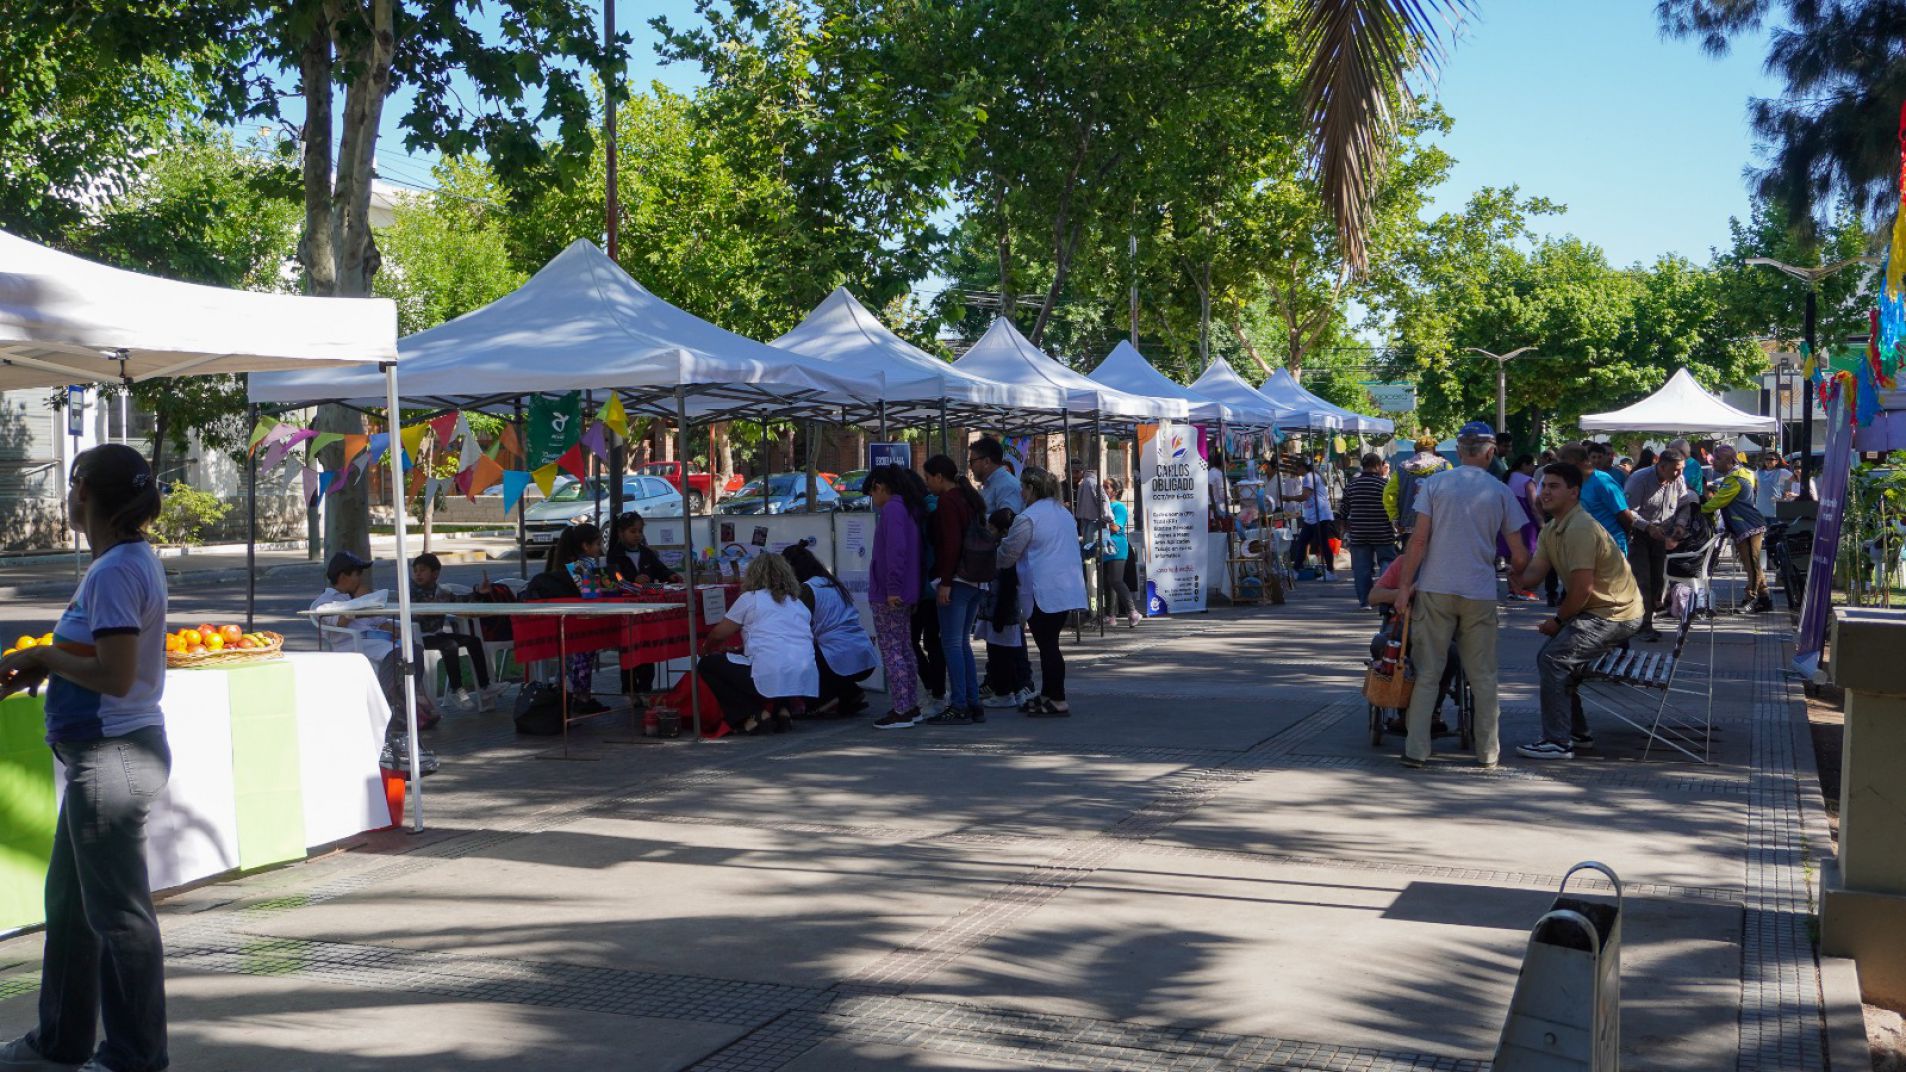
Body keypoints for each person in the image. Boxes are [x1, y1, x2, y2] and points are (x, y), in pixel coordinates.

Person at [0, 445, 171, 1072]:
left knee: (119, 917)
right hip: (102, 760)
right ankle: (59, 1043)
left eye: (73, 485)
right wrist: (39, 665)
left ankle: (134, 1058)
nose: (67, 496)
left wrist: (45, 658)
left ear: (86, 494)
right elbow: (97, 660)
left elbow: (118, 675)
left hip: (113, 759)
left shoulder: (116, 570)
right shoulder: (121, 562)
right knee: (71, 911)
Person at [1392, 422, 1530, 769]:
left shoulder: (1436, 484)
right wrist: (1517, 578)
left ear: (1459, 450)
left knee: (1428, 674)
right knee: (1482, 675)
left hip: (1435, 588)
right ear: (1490, 451)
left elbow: (1418, 541)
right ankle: (1487, 752)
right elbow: (1520, 552)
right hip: (1478, 591)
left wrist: (1405, 587)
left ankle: (1416, 749)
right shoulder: (1499, 491)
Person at [1513, 462, 1646, 760]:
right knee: (1558, 658)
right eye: (1544, 485)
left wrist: (1557, 621)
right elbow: (1532, 575)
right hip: (1599, 611)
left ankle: (1558, 741)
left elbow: (1582, 590)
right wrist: (1514, 568)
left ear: (1573, 492)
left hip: (1615, 614)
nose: (1545, 492)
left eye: (1554, 486)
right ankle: (1576, 732)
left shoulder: (1581, 528)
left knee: (1553, 659)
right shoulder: (1552, 529)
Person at [312, 550, 441, 731]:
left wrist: (395, 629)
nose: (360, 580)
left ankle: (408, 700)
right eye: (357, 574)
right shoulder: (325, 601)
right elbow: (338, 622)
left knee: (414, 649)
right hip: (354, 644)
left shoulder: (357, 597)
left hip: (379, 640)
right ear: (343, 576)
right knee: (395, 654)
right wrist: (357, 602)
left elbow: (379, 622)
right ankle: (393, 705)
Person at [998, 467, 1088, 716]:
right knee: (1050, 643)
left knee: (1048, 646)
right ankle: (1049, 693)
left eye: (1023, 488)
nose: (1021, 492)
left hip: (1042, 590)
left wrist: (996, 554)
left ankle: (1058, 698)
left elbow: (1009, 553)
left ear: (1031, 489)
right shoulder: (1063, 513)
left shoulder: (1028, 517)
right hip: (1065, 587)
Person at [697, 553, 818, 734]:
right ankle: (782, 711)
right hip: (803, 672)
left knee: (707, 665)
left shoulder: (751, 598)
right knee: (777, 662)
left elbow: (718, 634)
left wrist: (706, 649)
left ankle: (753, 714)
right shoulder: (797, 602)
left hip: (769, 669)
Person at [922, 454, 988, 724]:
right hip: (975, 579)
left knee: (951, 643)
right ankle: (972, 702)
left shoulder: (948, 501)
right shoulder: (967, 497)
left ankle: (960, 703)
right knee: (962, 643)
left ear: (939, 477)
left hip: (956, 580)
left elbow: (950, 545)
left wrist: (945, 583)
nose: (927, 484)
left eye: (928, 478)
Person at [968, 438, 1034, 707]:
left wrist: (989, 532)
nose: (970, 466)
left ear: (986, 461)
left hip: (1003, 567)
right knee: (996, 627)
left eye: (973, 461)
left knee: (1004, 625)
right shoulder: (992, 485)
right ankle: (1000, 682)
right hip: (992, 565)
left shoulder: (1005, 485)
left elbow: (1009, 520)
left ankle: (1020, 684)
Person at [522, 523, 610, 716]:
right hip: (577, 624)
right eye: (597, 544)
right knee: (582, 656)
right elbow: (593, 594)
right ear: (586, 546)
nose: (599, 548)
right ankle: (581, 698)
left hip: (568, 623)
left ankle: (573, 694)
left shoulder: (570, 564)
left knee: (575, 657)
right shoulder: (583, 566)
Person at [782, 543, 878, 717]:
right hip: (862, 652)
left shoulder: (807, 590)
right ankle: (850, 692)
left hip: (837, 655)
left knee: (797, 650)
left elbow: (795, 627)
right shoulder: (831, 583)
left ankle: (823, 699)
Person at [867, 466, 928, 728]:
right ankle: (910, 705)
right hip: (904, 591)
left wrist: (892, 588)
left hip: (890, 594)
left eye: (872, 492)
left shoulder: (892, 509)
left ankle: (901, 708)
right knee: (903, 648)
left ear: (880, 487)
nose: (872, 499)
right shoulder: (907, 508)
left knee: (893, 650)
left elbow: (895, 552)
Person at [606, 511, 682, 698]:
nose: (637, 535)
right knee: (630, 650)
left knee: (648, 650)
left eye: (640, 531)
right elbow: (616, 579)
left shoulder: (647, 553)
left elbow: (660, 570)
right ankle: (630, 691)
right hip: (626, 606)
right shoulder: (615, 555)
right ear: (621, 533)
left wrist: (670, 575)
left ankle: (646, 691)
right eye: (633, 531)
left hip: (648, 606)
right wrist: (633, 580)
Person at [1623, 447, 1696, 640]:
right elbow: (1628, 511)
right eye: (1675, 469)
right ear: (1661, 466)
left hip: (1662, 535)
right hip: (1638, 535)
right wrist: (1647, 527)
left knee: (1657, 580)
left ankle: (1645, 619)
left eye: (1681, 469)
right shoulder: (1639, 479)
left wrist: (1680, 525)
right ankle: (1642, 625)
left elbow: (1683, 505)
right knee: (1642, 580)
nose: (1679, 473)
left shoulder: (1678, 479)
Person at [408, 552, 495, 711]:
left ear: (435, 574)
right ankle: (456, 689)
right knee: (450, 645)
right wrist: (430, 606)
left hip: (437, 634)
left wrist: (478, 592)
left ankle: (484, 686)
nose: (418, 574)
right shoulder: (410, 591)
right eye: (415, 571)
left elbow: (459, 602)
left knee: (473, 641)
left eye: (422, 570)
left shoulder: (440, 591)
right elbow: (414, 612)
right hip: (418, 637)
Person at [1703, 443, 1773, 614]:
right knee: (1752, 565)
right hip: (1746, 526)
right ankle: (1764, 599)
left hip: (1748, 526)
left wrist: (1698, 508)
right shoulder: (1742, 474)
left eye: (1718, 459)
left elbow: (1719, 501)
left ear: (1729, 460)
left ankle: (1750, 598)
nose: (1714, 463)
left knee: (1753, 565)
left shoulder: (1734, 479)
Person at [1339, 452, 1398, 609]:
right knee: (1387, 562)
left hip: (1359, 532)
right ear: (1378, 466)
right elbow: (1392, 506)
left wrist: (1343, 526)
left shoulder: (1352, 485)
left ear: (1363, 466)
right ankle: (1385, 596)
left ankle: (1365, 601)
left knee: (1361, 567)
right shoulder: (1384, 485)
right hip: (1382, 531)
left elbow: (1343, 509)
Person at [1558, 442, 1638, 554]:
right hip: (1587, 545)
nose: (1561, 469)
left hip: (1611, 546)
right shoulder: (1575, 481)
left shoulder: (1602, 481)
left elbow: (1625, 515)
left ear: (1574, 462)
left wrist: (1625, 536)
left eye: (1563, 465)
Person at [1384, 433, 1450, 542]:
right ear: (1434, 450)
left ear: (1415, 451)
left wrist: (1395, 519)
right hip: (1437, 526)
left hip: (1407, 526)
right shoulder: (1445, 466)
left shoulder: (1401, 468)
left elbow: (1389, 494)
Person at [1286, 456, 1337, 579]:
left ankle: (1330, 571)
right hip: (1312, 516)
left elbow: (1304, 496)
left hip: (1319, 515)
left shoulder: (1309, 477)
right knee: (1303, 542)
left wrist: (1289, 498)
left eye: (1297, 468)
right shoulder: (1311, 476)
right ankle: (1296, 570)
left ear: (1302, 467)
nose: (1296, 471)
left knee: (1322, 543)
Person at [1099, 477, 1141, 626]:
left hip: (1117, 548)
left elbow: (1116, 527)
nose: (1103, 489)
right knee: (1107, 582)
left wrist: (1102, 520)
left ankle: (1132, 611)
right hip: (1105, 547)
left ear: (1115, 491)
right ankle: (1110, 615)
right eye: (1102, 486)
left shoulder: (1118, 507)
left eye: (1106, 487)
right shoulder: (1103, 507)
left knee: (1116, 580)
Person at [1501, 454, 1543, 601]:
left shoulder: (1508, 478)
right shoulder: (1528, 481)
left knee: (1510, 558)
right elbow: (1534, 505)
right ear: (1525, 465)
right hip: (1526, 524)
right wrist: (1542, 523)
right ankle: (1522, 589)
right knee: (1527, 556)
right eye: (1532, 465)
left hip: (1507, 522)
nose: (1533, 468)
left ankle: (1512, 588)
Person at [1755, 451, 1794, 519]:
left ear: (1777, 461)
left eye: (1771, 459)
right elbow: (1756, 485)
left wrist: (1786, 492)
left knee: (1774, 529)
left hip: (1774, 509)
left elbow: (1794, 479)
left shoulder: (1781, 471)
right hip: (1760, 508)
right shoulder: (1758, 472)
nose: (1768, 461)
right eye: (1766, 459)